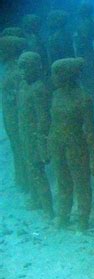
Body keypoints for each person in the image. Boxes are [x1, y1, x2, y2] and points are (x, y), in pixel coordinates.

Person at [49, 58, 94, 231]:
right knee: (63, 180)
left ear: (67, 75)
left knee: (81, 182)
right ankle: (64, 214)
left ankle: (83, 218)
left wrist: (93, 156)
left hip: (76, 145)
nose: (52, 77)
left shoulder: (84, 99)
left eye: (56, 73)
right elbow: (52, 122)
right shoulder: (55, 95)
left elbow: (90, 130)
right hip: (57, 143)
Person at [17, 52, 54, 219]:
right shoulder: (24, 86)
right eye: (20, 66)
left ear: (35, 67)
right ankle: (37, 200)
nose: (21, 70)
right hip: (26, 135)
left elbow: (43, 117)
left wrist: (42, 142)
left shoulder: (38, 89)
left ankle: (48, 209)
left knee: (38, 171)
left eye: (25, 66)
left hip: (34, 137)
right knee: (32, 169)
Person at [0, 36, 29, 192]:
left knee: (21, 147)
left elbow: (20, 100)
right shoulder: (9, 70)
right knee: (16, 147)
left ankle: (26, 181)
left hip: (17, 118)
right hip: (11, 117)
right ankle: (21, 178)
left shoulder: (16, 73)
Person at [75, 3, 94, 106]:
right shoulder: (93, 24)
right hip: (92, 56)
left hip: (86, 56)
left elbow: (82, 43)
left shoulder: (85, 25)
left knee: (89, 82)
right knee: (93, 82)